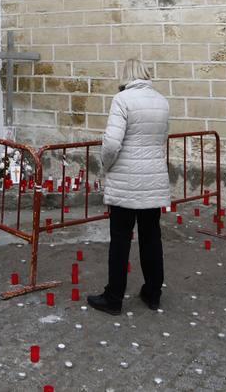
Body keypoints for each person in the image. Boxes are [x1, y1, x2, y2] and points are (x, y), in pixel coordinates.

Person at [88, 58, 171, 315]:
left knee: (121, 241)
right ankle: (153, 293)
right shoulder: (161, 101)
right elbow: (162, 138)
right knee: (151, 238)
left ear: (125, 76)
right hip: (153, 178)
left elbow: (112, 144)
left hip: (126, 180)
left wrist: (106, 164)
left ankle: (114, 298)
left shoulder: (122, 100)